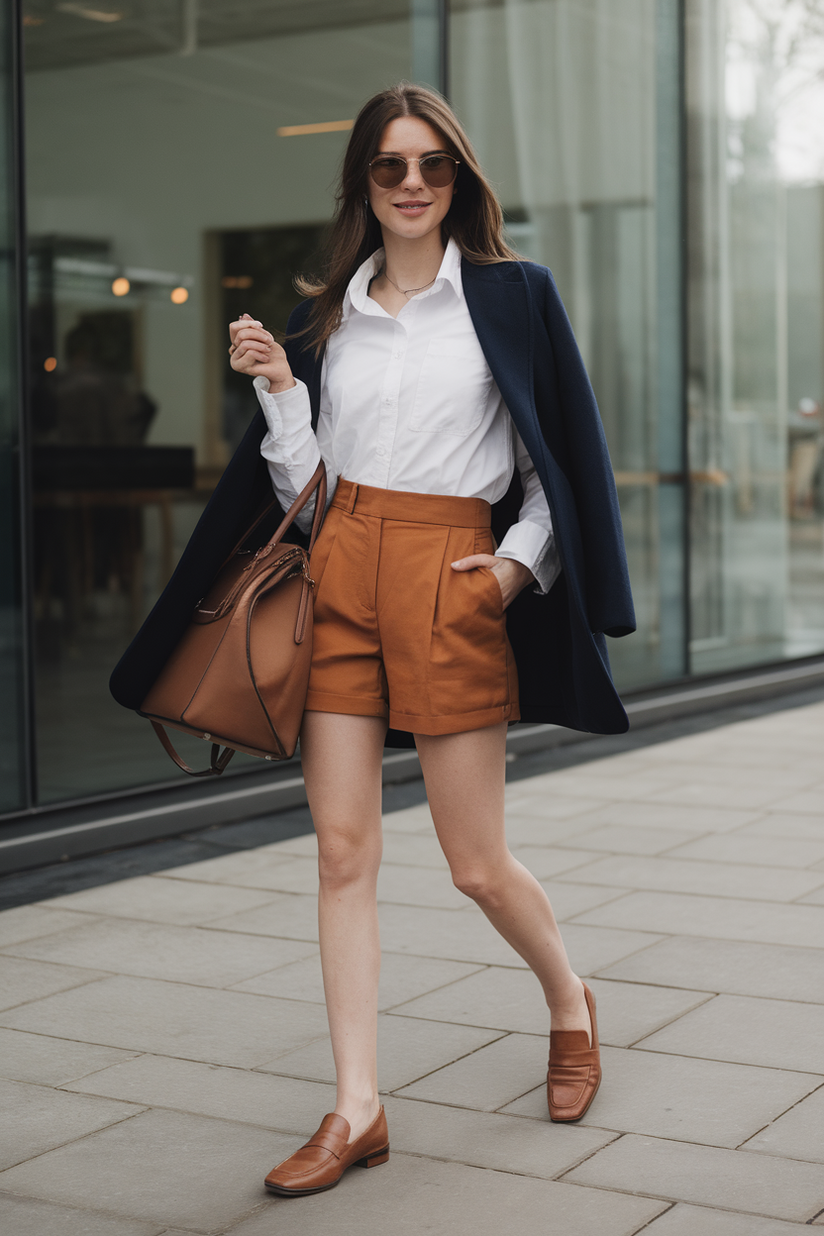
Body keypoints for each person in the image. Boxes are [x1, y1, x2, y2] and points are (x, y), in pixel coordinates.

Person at [109, 82, 634, 1197]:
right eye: (389, 166)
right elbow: (313, 491)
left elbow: (553, 474)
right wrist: (284, 394)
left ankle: (566, 998)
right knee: (343, 853)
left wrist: (507, 570)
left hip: (449, 580)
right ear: (361, 181)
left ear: (458, 179)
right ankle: (358, 1106)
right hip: (340, 572)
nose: (409, 184)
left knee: (475, 865)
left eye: (430, 165)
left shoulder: (511, 296)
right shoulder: (327, 314)